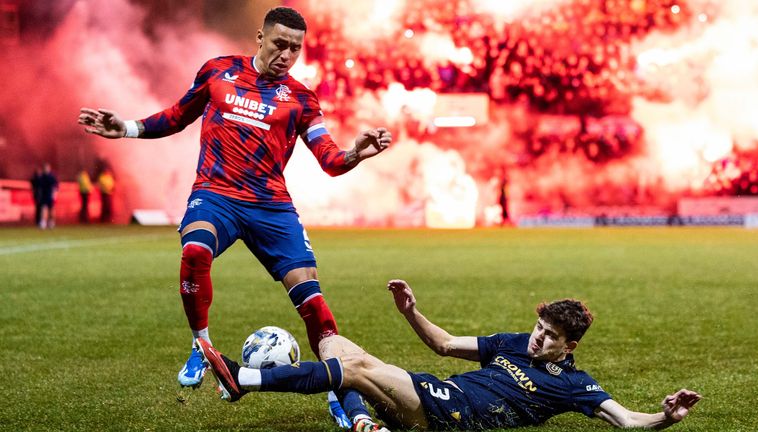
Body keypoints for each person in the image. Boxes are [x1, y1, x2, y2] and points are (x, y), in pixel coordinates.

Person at [77, 7, 391, 431]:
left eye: (295, 48)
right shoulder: (218, 71)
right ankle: (202, 344)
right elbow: (177, 116)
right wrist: (128, 128)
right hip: (216, 195)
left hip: (271, 207)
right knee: (195, 251)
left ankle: (339, 392)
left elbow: (329, 159)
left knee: (314, 303)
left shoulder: (301, 98)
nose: (286, 55)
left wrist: (355, 153)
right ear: (260, 37)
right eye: (279, 44)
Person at [197, 279, 701, 431]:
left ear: (569, 347)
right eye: (538, 327)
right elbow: (444, 344)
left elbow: (627, 420)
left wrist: (666, 416)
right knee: (335, 345)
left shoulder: (575, 384)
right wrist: (411, 312)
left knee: (354, 367)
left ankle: (244, 381)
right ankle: (360, 421)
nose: (537, 338)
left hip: (454, 417)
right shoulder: (511, 343)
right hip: (436, 395)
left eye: (549, 337)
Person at [38, 163, 58, 229]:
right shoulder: (42, 177)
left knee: (51, 209)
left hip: (50, 195)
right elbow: (39, 187)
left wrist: (54, 194)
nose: (46, 169)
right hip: (44, 195)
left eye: (47, 168)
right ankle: (43, 222)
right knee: (44, 208)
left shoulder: (51, 177)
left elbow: (56, 186)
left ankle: (51, 222)